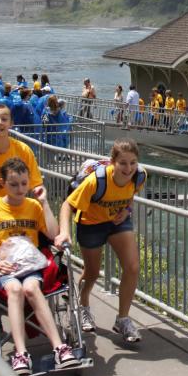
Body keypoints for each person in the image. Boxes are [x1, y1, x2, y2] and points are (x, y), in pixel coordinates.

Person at [0, 157, 80, 376]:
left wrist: (45, 203)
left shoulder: (32, 207)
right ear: (2, 183)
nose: (20, 189)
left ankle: (59, 347)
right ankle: (21, 353)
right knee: (14, 289)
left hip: (30, 264)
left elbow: (52, 233)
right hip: (5, 266)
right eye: (14, 184)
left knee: (31, 288)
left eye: (23, 183)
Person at [55, 139, 145, 342]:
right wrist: (64, 232)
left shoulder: (139, 176)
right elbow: (67, 205)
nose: (128, 168)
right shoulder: (95, 181)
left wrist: (127, 210)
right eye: (123, 163)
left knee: (132, 267)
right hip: (91, 224)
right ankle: (83, 305)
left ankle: (122, 319)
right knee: (92, 272)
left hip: (117, 222)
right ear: (112, 162)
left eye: (132, 162)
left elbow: (131, 194)